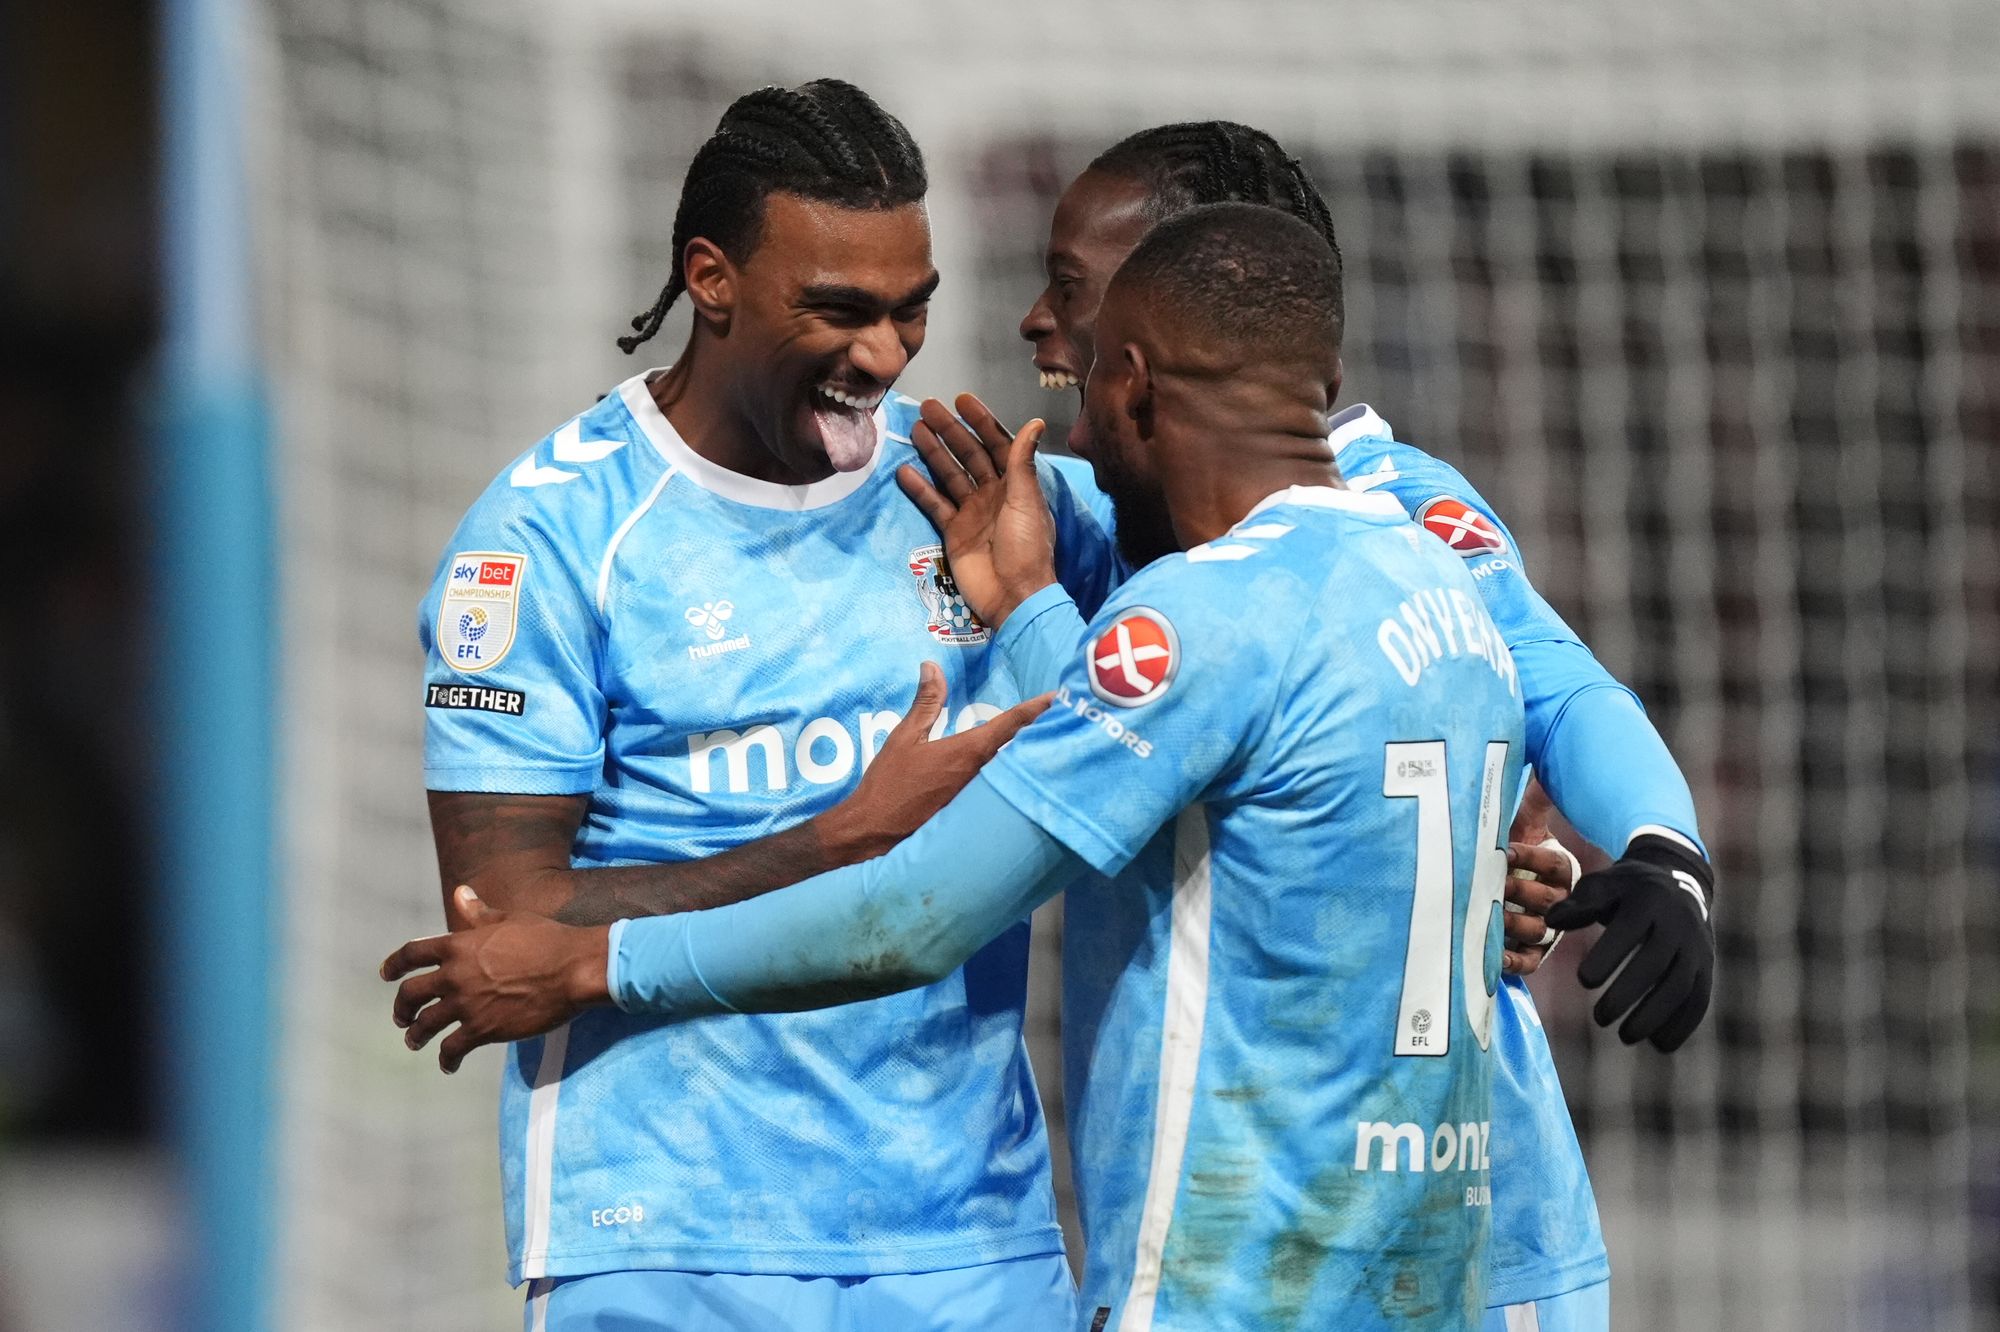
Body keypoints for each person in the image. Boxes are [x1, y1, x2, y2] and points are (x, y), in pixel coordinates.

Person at [392, 201, 1529, 1330]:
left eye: (1082, 393)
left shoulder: (1198, 612)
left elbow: (913, 919)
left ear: (1130, 383)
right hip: (1412, 1273)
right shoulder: (1437, 588)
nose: (1072, 431)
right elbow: (1166, 725)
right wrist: (1637, 852)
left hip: (1210, 1282)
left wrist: (603, 965)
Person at [405, 78, 1119, 1331]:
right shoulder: (550, 534)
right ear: (711, 277)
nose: (885, 355)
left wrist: (1506, 819)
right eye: (838, 311)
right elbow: (509, 918)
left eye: (911, 312)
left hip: (966, 1239)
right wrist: (844, 838)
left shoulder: (978, 493)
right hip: (665, 1235)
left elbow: (1249, 628)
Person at [997, 121, 1716, 1331]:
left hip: (1461, 1239)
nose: (1033, 319)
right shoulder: (1108, 513)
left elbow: (1560, 682)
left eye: (1072, 284)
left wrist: (1662, 849)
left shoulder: (1394, 510)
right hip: (1228, 1246)